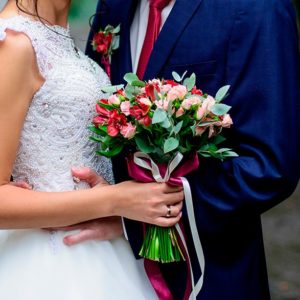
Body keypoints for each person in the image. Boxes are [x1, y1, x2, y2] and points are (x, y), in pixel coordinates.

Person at [84, 0, 300, 299]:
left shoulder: (257, 8)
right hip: (102, 267)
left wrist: (133, 216)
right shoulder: (114, 5)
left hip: (210, 273)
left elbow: (269, 167)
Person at [0, 0, 185, 299]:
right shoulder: (13, 43)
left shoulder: (59, 32)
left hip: (102, 253)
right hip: (49, 266)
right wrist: (114, 200)